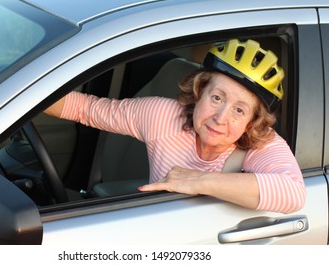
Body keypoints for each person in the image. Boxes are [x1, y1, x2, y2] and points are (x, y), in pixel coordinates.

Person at [45, 39, 306, 214]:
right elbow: (84, 108)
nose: (220, 117)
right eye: (216, 98)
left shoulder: (261, 142)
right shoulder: (161, 116)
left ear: (251, 121)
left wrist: (199, 181)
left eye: (239, 110)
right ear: (199, 91)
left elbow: (293, 192)